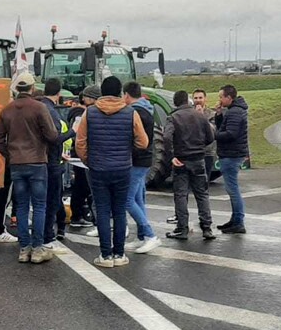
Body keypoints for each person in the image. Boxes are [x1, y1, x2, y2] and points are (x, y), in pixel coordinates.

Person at [74, 74, 148, 267]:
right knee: (120, 212)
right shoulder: (131, 112)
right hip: (123, 168)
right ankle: (119, 254)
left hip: (98, 169)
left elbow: (80, 143)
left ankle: (105, 255)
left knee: (103, 211)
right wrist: (127, 150)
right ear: (119, 93)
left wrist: (88, 160)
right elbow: (143, 142)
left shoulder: (89, 113)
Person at [0, 71, 59, 263]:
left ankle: (24, 249)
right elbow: (52, 136)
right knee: (39, 206)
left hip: (17, 163)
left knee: (20, 206)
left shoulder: (7, 110)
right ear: (32, 88)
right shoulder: (39, 108)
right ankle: (37, 249)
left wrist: (10, 154)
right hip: (37, 162)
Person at [163, 90, 216, 240]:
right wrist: (200, 146)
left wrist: (172, 155)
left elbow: (167, 136)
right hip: (199, 158)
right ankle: (207, 227)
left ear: (175, 102)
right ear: (189, 101)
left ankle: (182, 228)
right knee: (202, 194)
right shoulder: (200, 115)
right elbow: (211, 137)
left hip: (181, 159)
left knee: (181, 194)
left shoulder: (173, 117)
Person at [39, 78, 74, 252]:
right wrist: (73, 132)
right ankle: (47, 236)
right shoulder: (51, 112)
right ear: (58, 93)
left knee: (35, 202)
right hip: (52, 162)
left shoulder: (39, 107)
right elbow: (54, 138)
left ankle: (37, 235)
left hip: (39, 159)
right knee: (52, 200)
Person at [123, 81, 158, 254]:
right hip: (145, 159)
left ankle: (151, 235)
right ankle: (141, 236)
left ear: (127, 95)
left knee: (127, 200)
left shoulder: (135, 112)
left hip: (137, 160)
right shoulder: (147, 109)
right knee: (137, 199)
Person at [214, 84, 249, 235]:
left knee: (232, 189)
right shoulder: (233, 111)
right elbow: (225, 127)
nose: (220, 100)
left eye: (221, 97)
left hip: (232, 154)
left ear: (229, 97)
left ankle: (238, 222)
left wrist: (212, 135)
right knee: (231, 188)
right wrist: (219, 115)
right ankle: (235, 220)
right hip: (232, 153)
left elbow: (230, 134)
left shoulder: (235, 112)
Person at [66, 85, 98, 231]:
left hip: (79, 154)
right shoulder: (80, 114)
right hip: (80, 155)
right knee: (82, 185)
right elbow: (78, 134)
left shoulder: (79, 113)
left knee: (81, 185)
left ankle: (80, 214)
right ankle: (77, 215)